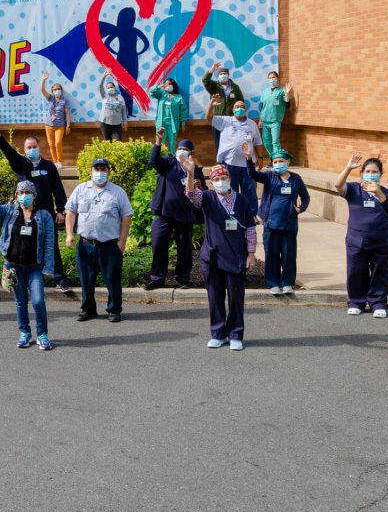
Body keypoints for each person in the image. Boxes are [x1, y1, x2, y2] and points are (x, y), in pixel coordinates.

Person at [0, 115, 72, 293]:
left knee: (51, 245)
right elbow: (9, 152)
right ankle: (21, 277)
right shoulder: (21, 164)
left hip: (46, 214)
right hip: (25, 214)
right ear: (24, 150)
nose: (31, 149)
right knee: (23, 244)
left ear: (39, 148)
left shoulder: (49, 167)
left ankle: (59, 278)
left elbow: (58, 189)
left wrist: (61, 210)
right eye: (28, 147)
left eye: (34, 147)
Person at [182, 161, 257, 351]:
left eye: (224, 178)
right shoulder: (207, 197)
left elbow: (250, 228)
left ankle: (235, 334)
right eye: (216, 179)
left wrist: (251, 254)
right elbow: (191, 195)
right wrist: (190, 174)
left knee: (235, 298)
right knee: (215, 298)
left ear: (230, 179)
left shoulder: (241, 201)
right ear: (211, 181)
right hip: (212, 257)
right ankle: (218, 333)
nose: (220, 182)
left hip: (236, 257)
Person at [0, 173, 55, 350]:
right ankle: (24, 333)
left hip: (34, 267)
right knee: (21, 301)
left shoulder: (44, 216)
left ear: (34, 195)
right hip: (13, 266)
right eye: (21, 192)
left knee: (38, 301)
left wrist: (48, 268)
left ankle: (42, 334)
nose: (24, 195)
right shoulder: (9, 210)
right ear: (16, 195)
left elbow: (49, 243)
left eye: (27, 192)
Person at [65, 158, 134, 322]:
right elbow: (71, 212)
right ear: (91, 171)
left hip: (109, 245)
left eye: (104, 169)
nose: (100, 173)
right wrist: (69, 234)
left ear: (108, 172)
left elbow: (126, 216)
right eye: (97, 169)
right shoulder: (81, 189)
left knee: (112, 278)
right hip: (86, 244)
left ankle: (114, 309)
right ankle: (88, 309)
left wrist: (122, 240)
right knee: (86, 279)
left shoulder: (118, 192)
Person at [335, 153, 388, 317]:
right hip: (357, 241)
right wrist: (348, 167)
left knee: (381, 273)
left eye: (375, 171)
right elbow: (338, 185)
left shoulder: (386, 193)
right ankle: (357, 301)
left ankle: (378, 303)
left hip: (382, 241)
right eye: (368, 171)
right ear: (362, 172)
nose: (371, 174)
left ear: (380, 174)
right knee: (356, 272)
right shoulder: (353, 190)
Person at [246, 146, 309, 295]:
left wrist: (301, 209)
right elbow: (253, 174)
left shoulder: (296, 179)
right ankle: (273, 283)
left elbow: (306, 197)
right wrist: (249, 159)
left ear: (288, 162)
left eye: (281, 161)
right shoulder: (269, 176)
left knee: (288, 256)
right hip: (271, 224)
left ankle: (287, 283)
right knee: (272, 254)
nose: (278, 163)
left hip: (289, 225)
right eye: (275, 161)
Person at [146, 132, 206, 290]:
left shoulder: (195, 170)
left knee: (184, 248)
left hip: (184, 215)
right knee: (158, 244)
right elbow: (153, 161)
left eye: (185, 149)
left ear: (191, 153)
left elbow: (204, 192)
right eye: (180, 148)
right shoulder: (168, 162)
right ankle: (157, 278)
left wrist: (198, 185)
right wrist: (158, 141)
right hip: (164, 212)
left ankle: (183, 278)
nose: (181, 151)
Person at [206, 96, 263, 203]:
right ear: (233, 110)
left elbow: (258, 143)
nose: (239, 108)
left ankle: (252, 216)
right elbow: (209, 118)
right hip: (229, 164)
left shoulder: (252, 124)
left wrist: (260, 157)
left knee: (250, 192)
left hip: (248, 165)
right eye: (237, 106)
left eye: (242, 106)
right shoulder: (225, 120)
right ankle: (232, 214)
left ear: (246, 110)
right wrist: (211, 104)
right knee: (230, 192)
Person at [202, 62, 244, 151]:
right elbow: (205, 80)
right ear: (218, 76)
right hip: (218, 118)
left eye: (224, 74)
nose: (223, 75)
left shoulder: (235, 87)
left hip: (231, 119)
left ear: (228, 75)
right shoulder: (214, 86)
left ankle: (229, 162)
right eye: (220, 74)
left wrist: (240, 115)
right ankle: (220, 163)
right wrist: (211, 70)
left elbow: (241, 102)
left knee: (231, 142)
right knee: (218, 142)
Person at [40, 72, 71, 167]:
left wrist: (68, 126)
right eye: (55, 89)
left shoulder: (65, 100)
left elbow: (68, 113)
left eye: (58, 89)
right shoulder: (51, 98)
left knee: (58, 143)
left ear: (61, 90)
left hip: (60, 126)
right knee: (51, 145)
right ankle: (55, 162)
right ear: (52, 91)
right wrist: (43, 80)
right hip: (48, 125)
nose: (57, 90)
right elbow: (42, 90)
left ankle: (59, 161)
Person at [149, 78, 187, 154]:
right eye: (166, 84)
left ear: (173, 85)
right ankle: (159, 161)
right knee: (160, 143)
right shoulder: (161, 94)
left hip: (173, 125)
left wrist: (183, 123)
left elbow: (183, 111)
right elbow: (151, 91)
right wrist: (161, 86)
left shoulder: (179, 97)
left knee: (172, 144)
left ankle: (171, 161)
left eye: (169, 84)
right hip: (161, 124)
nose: (167, 86)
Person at [259, 72, 292, 157]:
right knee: (266, 142)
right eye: (269, 78)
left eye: (273, 77)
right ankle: (272, 158)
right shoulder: (265, 91)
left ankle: (277, 159)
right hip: (265, 121)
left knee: (275, 142)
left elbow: (287, 104)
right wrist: (260, 120)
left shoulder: (282, 90)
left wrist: (287, 94)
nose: (271, 79)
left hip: (275, 121)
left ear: (277, 78)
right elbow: (262, 107)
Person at [97, 71, 128, 141]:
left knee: (118, 141)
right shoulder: (104, 96)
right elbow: (99, 86)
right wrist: (104, 76)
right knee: (107, 142)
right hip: (105, 123)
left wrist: (125, 122)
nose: (110, 89)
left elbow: (123, 111)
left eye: (111, 87)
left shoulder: (120, 98)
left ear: (114, 88)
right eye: (108, 88)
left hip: (117, 124)